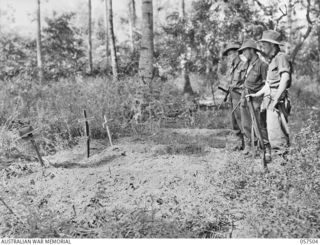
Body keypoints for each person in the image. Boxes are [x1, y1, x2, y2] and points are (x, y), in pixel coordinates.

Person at [247, 30, 292, 155]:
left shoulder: (281, 57)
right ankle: (276, 159)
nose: (262, 47)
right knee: (269, 131)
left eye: (265, 44)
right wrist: (256, 94)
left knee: (277, 133)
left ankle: (283, 164)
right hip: (268, 98)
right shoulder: (271, 60)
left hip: (276, 99)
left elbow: (285, 78)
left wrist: (276, 100)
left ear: (272, 45)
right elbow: (268, 84)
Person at [237, 39, 271, 162]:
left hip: (256, 99)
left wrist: (262, 101)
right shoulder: (246, 64)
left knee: (259, 124)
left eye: (245, 51)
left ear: (252, 50)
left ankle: (265, 148)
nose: (244, 54)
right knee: (245, 124)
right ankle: (249, 148)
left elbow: (267, 85)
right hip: (245, 97)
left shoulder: (263, 65)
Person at [222, 42, 247, 151]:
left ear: (237, 53)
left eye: (231, 54)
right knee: (234, 122)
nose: (229, 57)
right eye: (228, 55)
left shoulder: (244, 65)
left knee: (243, 121)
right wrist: (226, 95)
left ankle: (248, 146)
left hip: (240, 96)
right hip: (232, 96)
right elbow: (229, 82)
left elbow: (246, 83)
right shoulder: (231, 68)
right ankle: (238, 144)